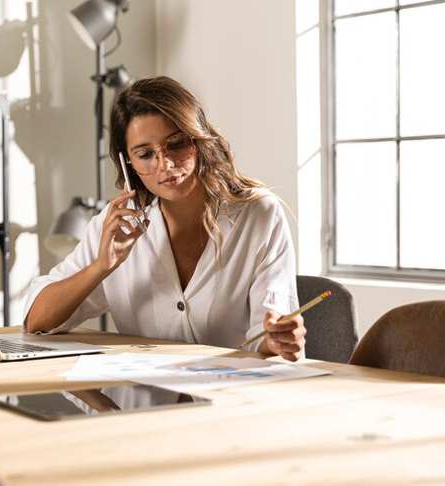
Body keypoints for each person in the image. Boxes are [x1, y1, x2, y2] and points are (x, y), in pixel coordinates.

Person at [23, 76, 305, 361]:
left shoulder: (258, 215)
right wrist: (101, 267)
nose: (165, 165)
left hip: (232, 396)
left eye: (176, 144)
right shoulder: (116, 226)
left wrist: (279, 339)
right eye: (145, 154)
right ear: (128, 163)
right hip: (142, 398)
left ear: (197, 139)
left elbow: (269, 335)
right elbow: (37, 321)